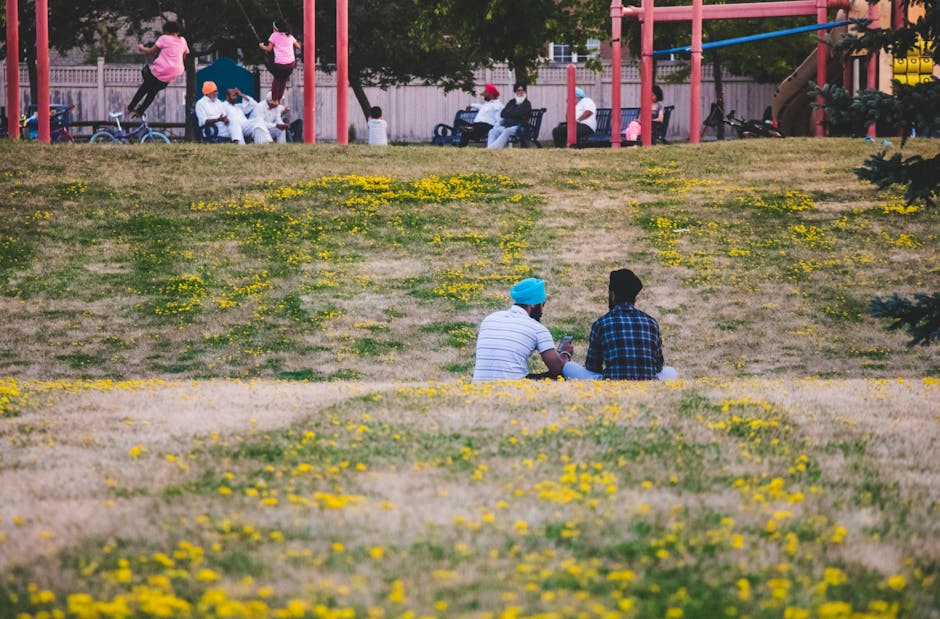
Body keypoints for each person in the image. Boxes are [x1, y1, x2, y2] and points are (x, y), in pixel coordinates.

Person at [562, 269, 677, 381]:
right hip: (648, 381)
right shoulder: (651, 322)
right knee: (670, 371)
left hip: (611, 383)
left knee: (569, 367)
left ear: (612, 294)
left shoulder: (601, 324)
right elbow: (659, 366)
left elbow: (593, 367)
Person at [472, 278, 574, 381]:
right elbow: (558, 370)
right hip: (511, 390)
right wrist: (565, 353)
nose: (542, 312)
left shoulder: (490, 319)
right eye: (543, 304)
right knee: (555, 378)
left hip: (477, 389)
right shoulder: (537, 328)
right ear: (533, 305)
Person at [127, 21, 189, 117]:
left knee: (144, 86)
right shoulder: (183, 40)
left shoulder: (164, 38)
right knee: (153, 91)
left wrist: (141, 47)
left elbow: (151, 51)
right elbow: (184, 55)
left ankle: (130, 107)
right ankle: (140, 111)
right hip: (176, 71)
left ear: (166, 31)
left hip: (163, 69)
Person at [259, 20, 301, 104]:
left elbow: (269, 49)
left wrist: (261, 46)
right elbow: (298, 46)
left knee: (277, 78)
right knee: (283, 79)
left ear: (276, 29)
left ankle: (275, 99)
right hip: (291, 64)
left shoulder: (274, 35)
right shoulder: (289, 35)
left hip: (280, 64)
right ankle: (279, 98)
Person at [486, 83, 532, 149]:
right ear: (515, 91)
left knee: (507, 131)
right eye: (518, 90)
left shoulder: (526, 104)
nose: (520, 92)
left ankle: (491, 149)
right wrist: (513, 113)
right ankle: (490, 148)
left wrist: (510, 113)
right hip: (507, 125)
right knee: (493, 131)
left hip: (519, 127)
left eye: (522, 90)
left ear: (525, 92)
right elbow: (502, 113)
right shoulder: (511, 102)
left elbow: (518, 114)